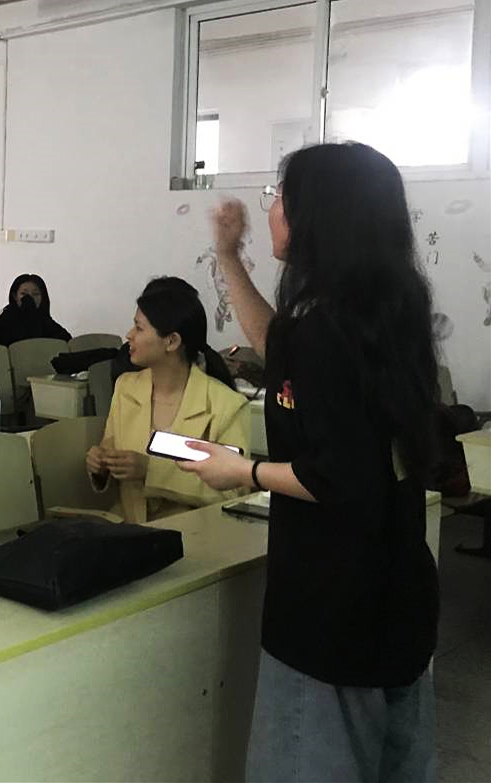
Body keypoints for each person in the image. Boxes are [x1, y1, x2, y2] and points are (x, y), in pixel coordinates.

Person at [180, 143, 440, 782]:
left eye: (280, 198)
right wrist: (227, 256)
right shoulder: (386, 314)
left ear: (315, 216)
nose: (272, 209)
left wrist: (240, 471)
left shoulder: (326, 329)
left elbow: (338, 476)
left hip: (331, 608)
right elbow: (283, 349)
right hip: (398, 593)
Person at [85, 278, 248, 523]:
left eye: (139, 328)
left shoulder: (226, 405)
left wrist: (152, 472)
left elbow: (236, 493)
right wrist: (100, 464)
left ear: (171, 341)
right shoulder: (126, 388)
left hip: (195, 533)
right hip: (128, 529)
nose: (129, 335)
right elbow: (110, 451)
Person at [0, 274, 73, 346]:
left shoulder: (46, 321)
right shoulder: (6, 319)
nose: (29, 298)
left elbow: (66, 342)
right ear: (15, 296)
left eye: (35, 294)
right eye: (23, 294)